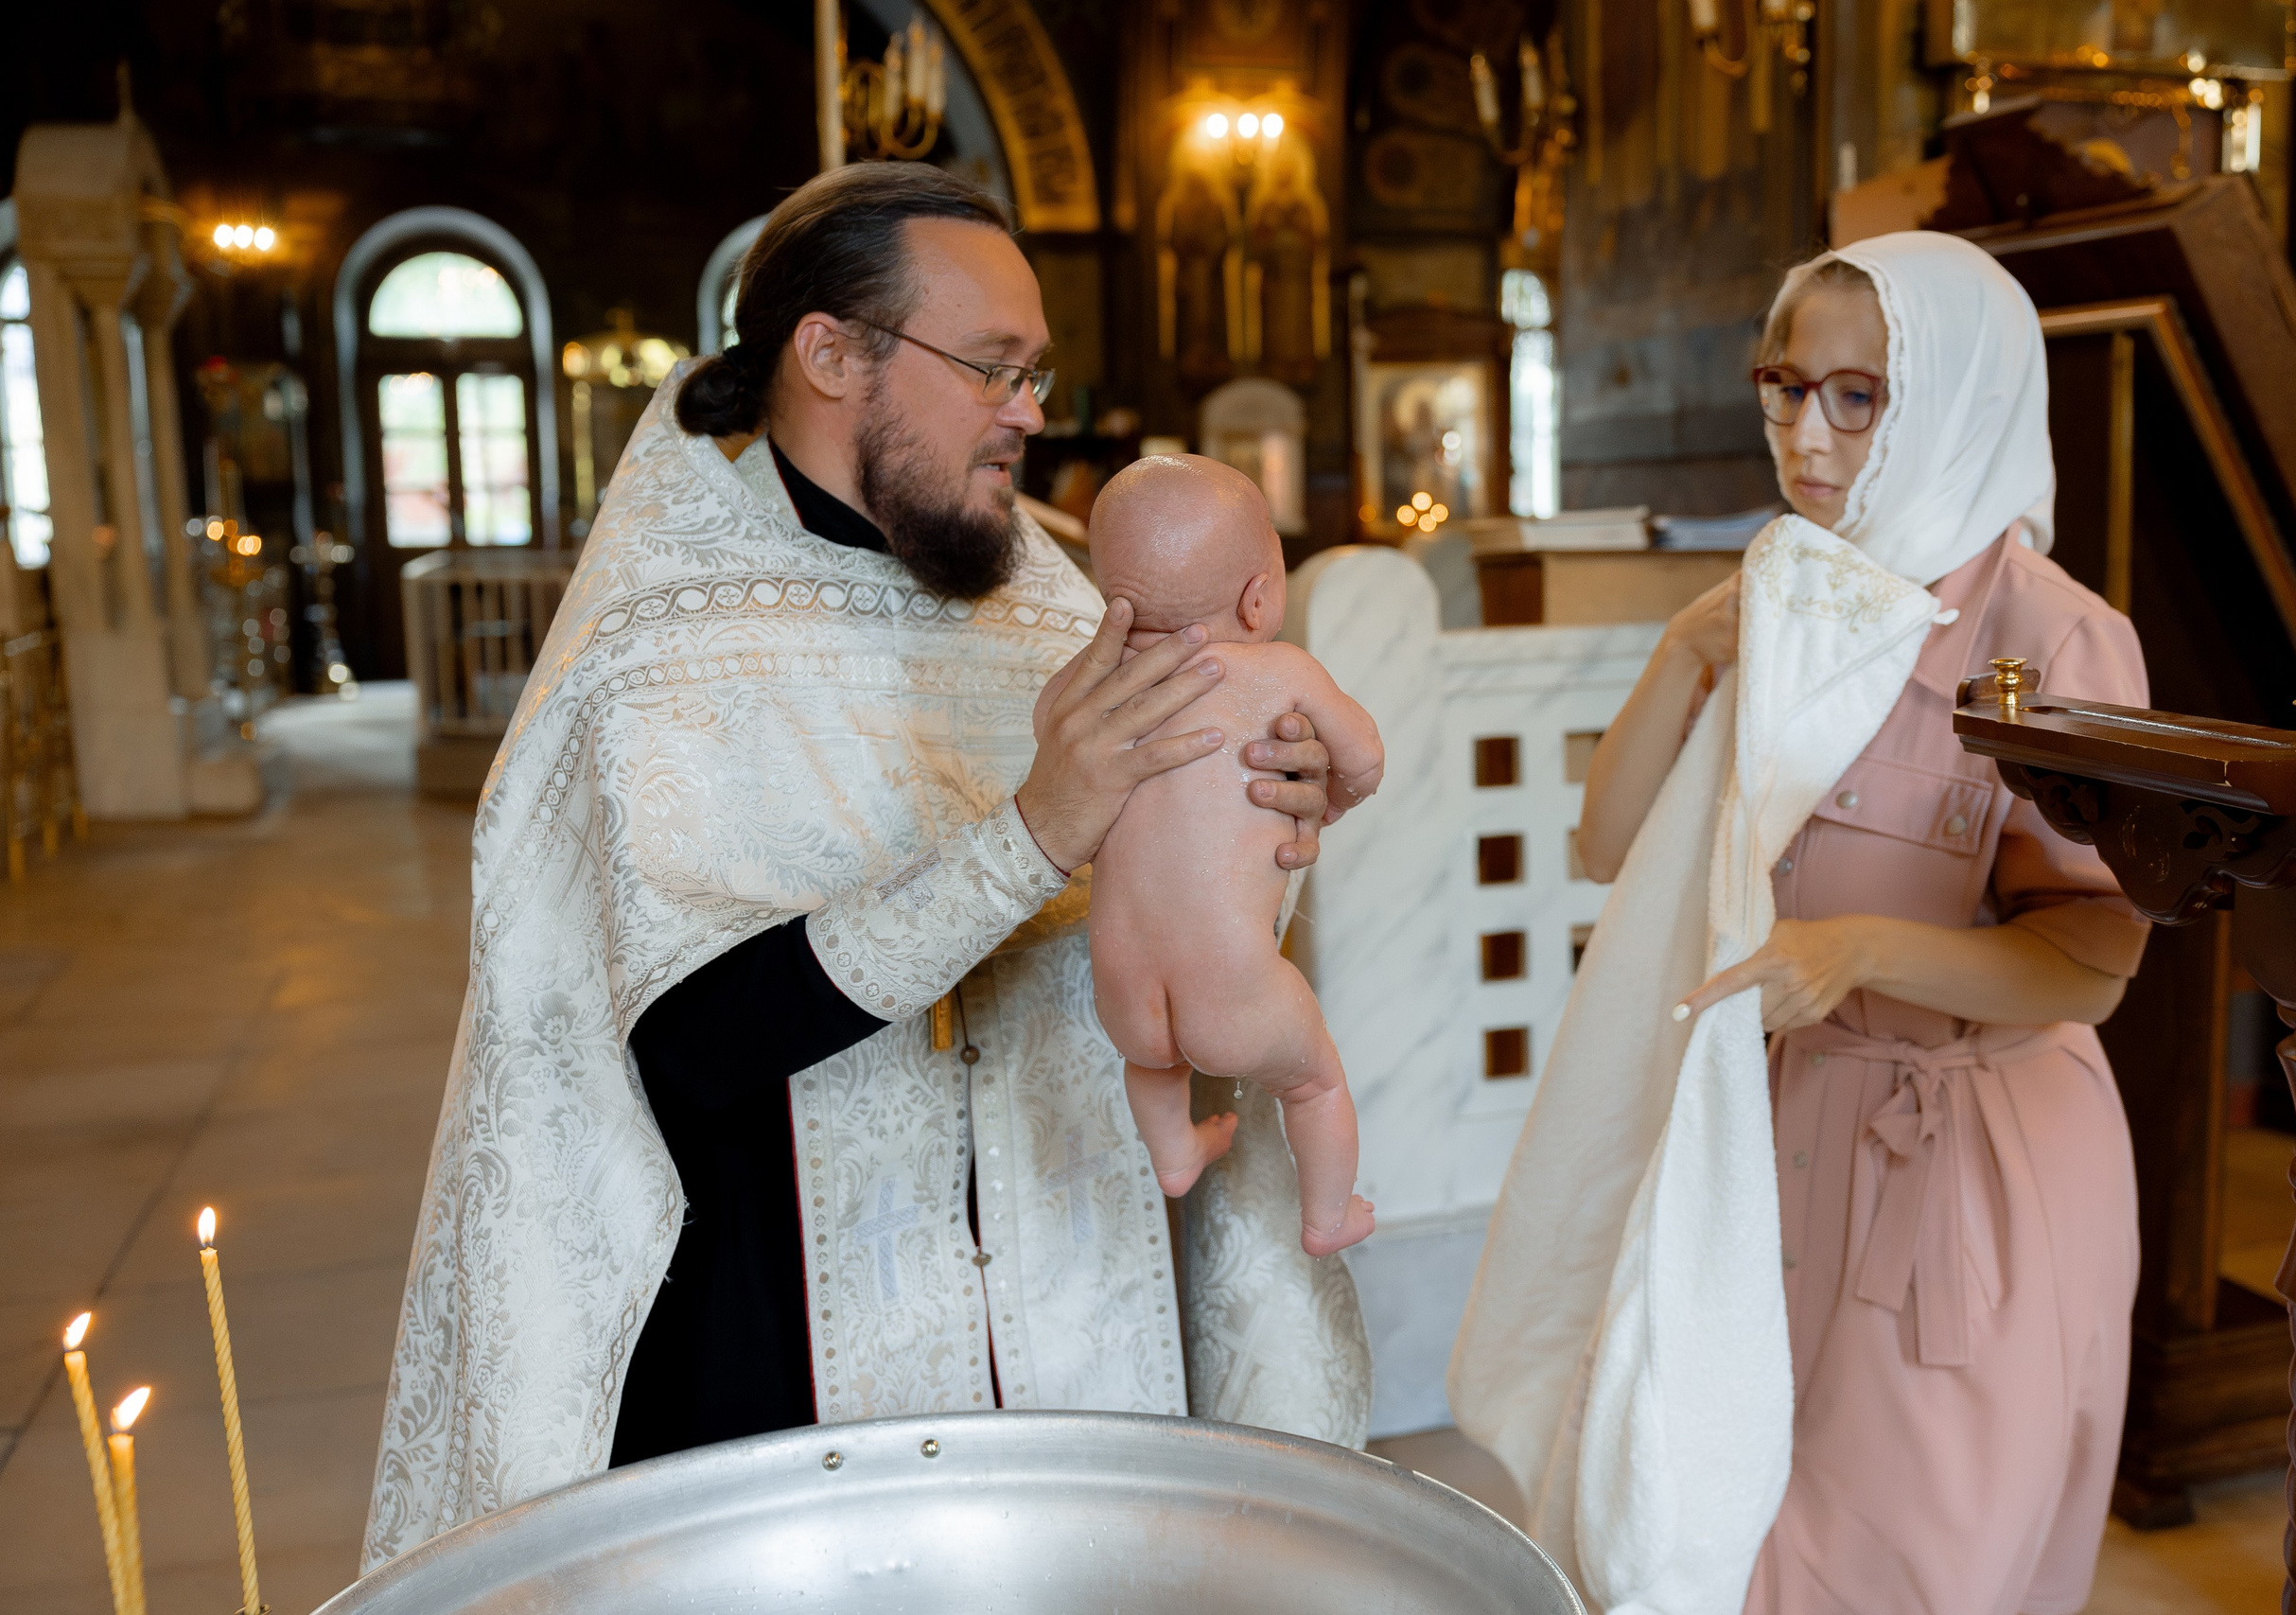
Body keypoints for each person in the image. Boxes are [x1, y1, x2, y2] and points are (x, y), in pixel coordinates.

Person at [362, 164, 1370, 1571]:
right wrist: (1027, 837)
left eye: (1039, 370)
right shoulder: (659, 653)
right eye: (995, 369)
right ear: (829, 354)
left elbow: (1173, 913)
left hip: (1082, 1307)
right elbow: (682, 1048)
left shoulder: (1062, 602)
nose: (1033, 410)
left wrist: (1269, 814)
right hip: (772, 1366)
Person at [1450, 232, 2146, 1615]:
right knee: (1732, 1526)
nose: (1805, 437)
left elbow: (2097, 957)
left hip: (1963, 1164)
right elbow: (1608, 842)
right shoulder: (1802, 598)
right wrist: (1690, 648)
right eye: (1785, 386)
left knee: (1912, 1561)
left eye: (1858, 397)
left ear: (1958, 397)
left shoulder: (2051, 635)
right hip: (1774, 1134)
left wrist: (1859, 951)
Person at [1081, 455, 1384, 1255]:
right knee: (1314, 1080)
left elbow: (1052, 734)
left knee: (1154, 1060)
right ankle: (1327, 1215)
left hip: (1121, 991)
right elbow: (1365, 757)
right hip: (1236, 988)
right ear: (1259, 597)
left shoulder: (1091, 696)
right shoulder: (1278, 669)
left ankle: (1174, 1150)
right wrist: (1339, 793)